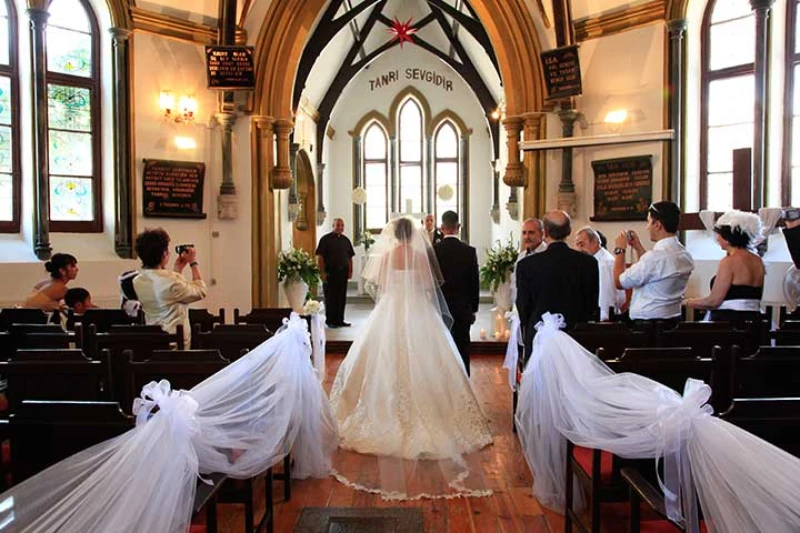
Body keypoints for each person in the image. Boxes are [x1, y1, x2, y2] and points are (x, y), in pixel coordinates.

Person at [329, 216, 492, 499]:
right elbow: (430, 287)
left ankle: (381, 412)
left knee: (382, 360)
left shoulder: (389, 255)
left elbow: (378, 286)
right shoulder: (420, 255)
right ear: (414, 235)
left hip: (390, 311)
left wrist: (394, 292)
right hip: (418, 311)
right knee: (430, 361)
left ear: (393, 234)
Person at [516, 210, 599, 358]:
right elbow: (592, 305)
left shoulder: (527, 265)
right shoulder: (588, 263)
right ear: (569, 231)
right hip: (576, 337)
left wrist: (530, 328)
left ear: (545, 232)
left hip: (539, 336)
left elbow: (523, 306)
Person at [614, 201, 694, 329]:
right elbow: (652, 272)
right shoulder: (684, 255)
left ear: (657, 225)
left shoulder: (654, 258)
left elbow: (619, 282)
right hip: (673, 322)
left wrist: (620, 250)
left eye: (648, 222)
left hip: (647, 327)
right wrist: (638, 247)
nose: (647, 227)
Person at [132, 228, 207, 347]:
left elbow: (168, 292)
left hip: (153, 341)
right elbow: (200, 291)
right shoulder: (172, 280)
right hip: (175, 342)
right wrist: (193, 263)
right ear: (163, 254)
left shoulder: (137, 281)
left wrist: (178, 269)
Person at [685, 210, 764, 321]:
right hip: (755, 320)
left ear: (728, 237)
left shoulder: (729, 262)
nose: (717, 239)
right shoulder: (758, 260)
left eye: (720, 235)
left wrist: (688, 302)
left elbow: (713, 302)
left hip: (731, 322)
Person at [434, 210, 480, 375]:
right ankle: (464, 383)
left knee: (440, 349)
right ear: (458, 227)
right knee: (462, 348)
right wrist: (473, 309)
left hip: (439, 308)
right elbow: (474, 283)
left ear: (441, 228)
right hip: (462, 309)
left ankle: (443, 384)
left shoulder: (433, 251)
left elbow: (431, 283)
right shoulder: (469, 251)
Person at [575, 226, 626, 321]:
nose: (579, 249)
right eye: (577, 245)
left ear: (595, 242)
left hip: (604, 318)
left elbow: (606, 297)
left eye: (582, 244)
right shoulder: (594, 261)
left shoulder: (603, 263)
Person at [316, 218, 355, 328]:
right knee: (330, 297)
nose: (340, 227)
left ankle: (340, 320)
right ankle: (330, 321)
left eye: (342, 225)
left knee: (341, 297)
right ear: (333, 226)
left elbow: (350, 257)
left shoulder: (346, 240)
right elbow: (320, 257)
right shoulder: (325, 239)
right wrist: (322, 272)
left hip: (343, 273)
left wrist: (350, 270)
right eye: (338, 225)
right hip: (330, 273)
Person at [510, 218, 546, 306]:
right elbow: (515, 283)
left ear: (542, 234)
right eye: (524, 233)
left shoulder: (547, 255)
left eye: (531, 232)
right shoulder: (522, 256)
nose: (527, 237)